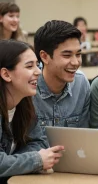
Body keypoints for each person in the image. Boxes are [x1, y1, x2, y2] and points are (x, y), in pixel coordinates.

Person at [0, 40, 64, 182]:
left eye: (37, 65)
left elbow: (39, 143)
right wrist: (35, 160)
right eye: (29, 66)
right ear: (6, 74)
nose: (38, 72)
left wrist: (13, 161)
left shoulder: (25, 102)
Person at [33, 20, 90, 128]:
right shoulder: (28, 86)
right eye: (67, 55)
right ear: (44, 57)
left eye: (78, 54)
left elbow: (84, 135)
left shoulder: (81, 83)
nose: (75, 62)